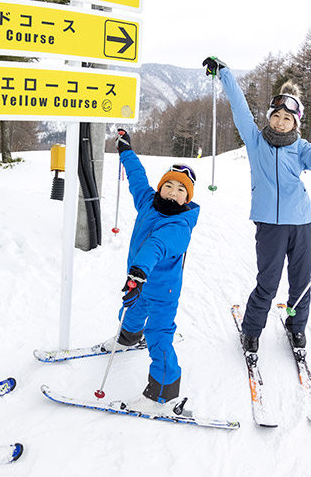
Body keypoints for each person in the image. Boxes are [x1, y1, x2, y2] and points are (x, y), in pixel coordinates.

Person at [202, 57, 311, 352]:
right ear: (270, 117)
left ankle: (296, 326)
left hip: (300, 224)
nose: (280, 121)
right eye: (276, 116)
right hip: (269, 226)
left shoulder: (300, 149)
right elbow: (239, 107)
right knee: (268, 283)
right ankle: (251, 330)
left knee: (301, 283)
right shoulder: (255, 140)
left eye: (287, 118)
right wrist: (224, 73)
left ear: (295, 123)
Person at [104, 129, 200, 413]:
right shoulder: (148, 201)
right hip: (140, 281)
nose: (173, 192)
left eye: (181, 189)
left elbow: (157, 245)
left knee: (159, 337)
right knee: (131, 311)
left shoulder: (180, 226)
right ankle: (128, 338)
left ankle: (163, 393)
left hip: (162, 290)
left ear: (187, 198)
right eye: (169, 185)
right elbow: (136, 178)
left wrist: (139, 270)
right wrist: (125, 151)